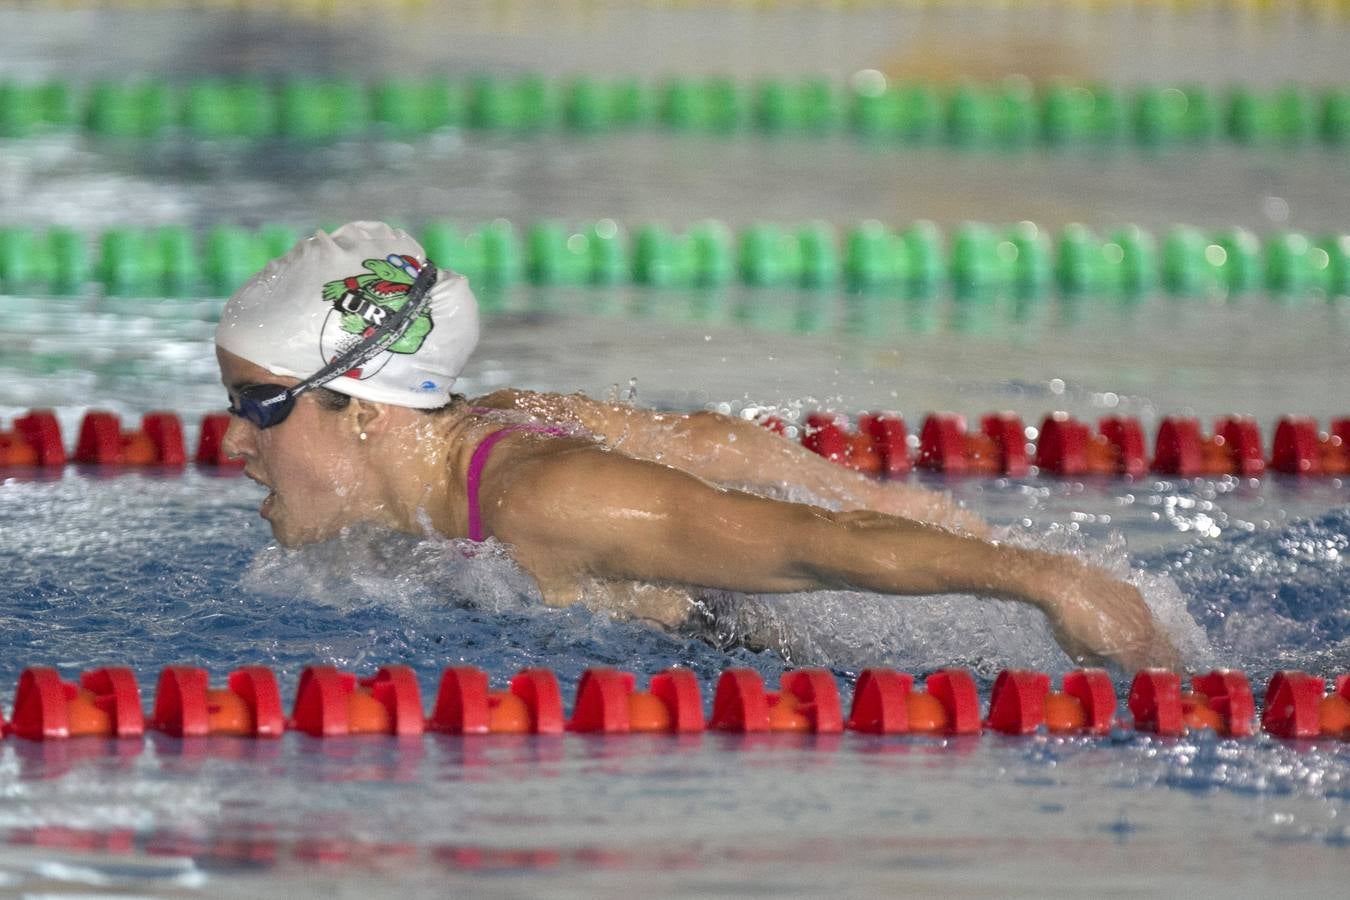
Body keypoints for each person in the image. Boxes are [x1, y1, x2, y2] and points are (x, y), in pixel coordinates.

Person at [215, 222, 1181, 672]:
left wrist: (1049, 580)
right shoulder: (478, 423)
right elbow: (703, 439)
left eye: (256, 407)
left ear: (366, 409)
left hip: (801, 661)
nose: (232, 442)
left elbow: (813, 546)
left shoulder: (545, 502)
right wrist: (891, 498)